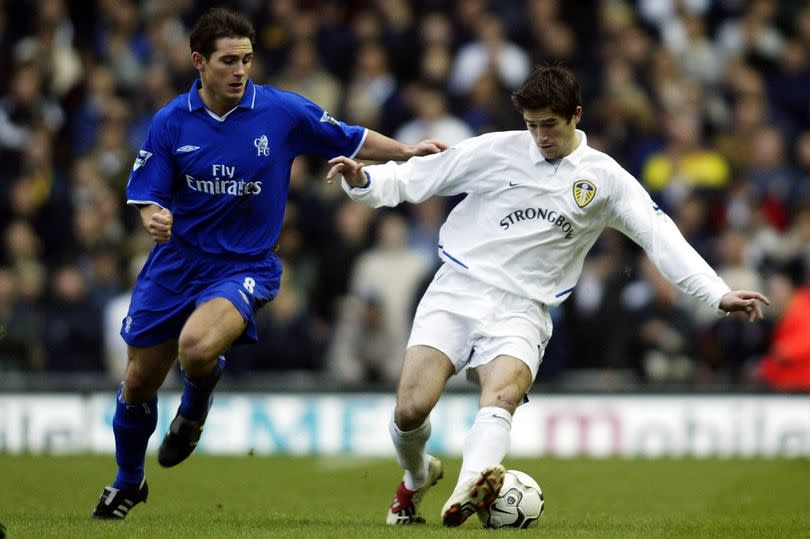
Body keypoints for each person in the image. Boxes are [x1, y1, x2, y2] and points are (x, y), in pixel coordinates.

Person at [326, 65, 770, 527]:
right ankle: (417, 477)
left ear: (575, 116)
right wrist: (365, 182)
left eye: (549, 125)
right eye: (531, 125)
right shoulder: (496, 150)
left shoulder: (604, 179)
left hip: (524, 309)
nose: (539, 136)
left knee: (503, 393)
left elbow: (660, 236)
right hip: (457, 288)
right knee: (410, 409)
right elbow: (421, 177)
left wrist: (717, 292)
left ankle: (472, 483)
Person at [90, 8, 445, 520]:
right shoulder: (170, 121)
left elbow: (351, 137)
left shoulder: (280, 110)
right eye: (228, 61)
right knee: (138, 382)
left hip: (243, 265)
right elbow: (148, 191)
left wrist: (408, 150)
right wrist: (152, 214)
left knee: (195, 348)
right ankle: (129, 481)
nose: (240, 70)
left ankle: (196, 402)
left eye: (247, 60)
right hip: (175, 264)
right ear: (199, 62)